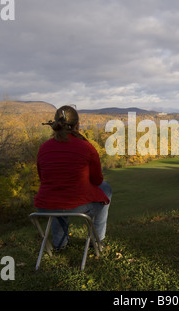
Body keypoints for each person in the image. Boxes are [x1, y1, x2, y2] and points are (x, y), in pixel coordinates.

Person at [34, 105, 112, 250]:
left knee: (59, 196)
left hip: (44, 206)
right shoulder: (86, 147)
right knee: (106, 189)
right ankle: (97, 241)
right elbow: (97, 181)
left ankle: (59, 244)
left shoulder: (44, 148)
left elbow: (42, 178)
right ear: (77, 125)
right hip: (75, 204)